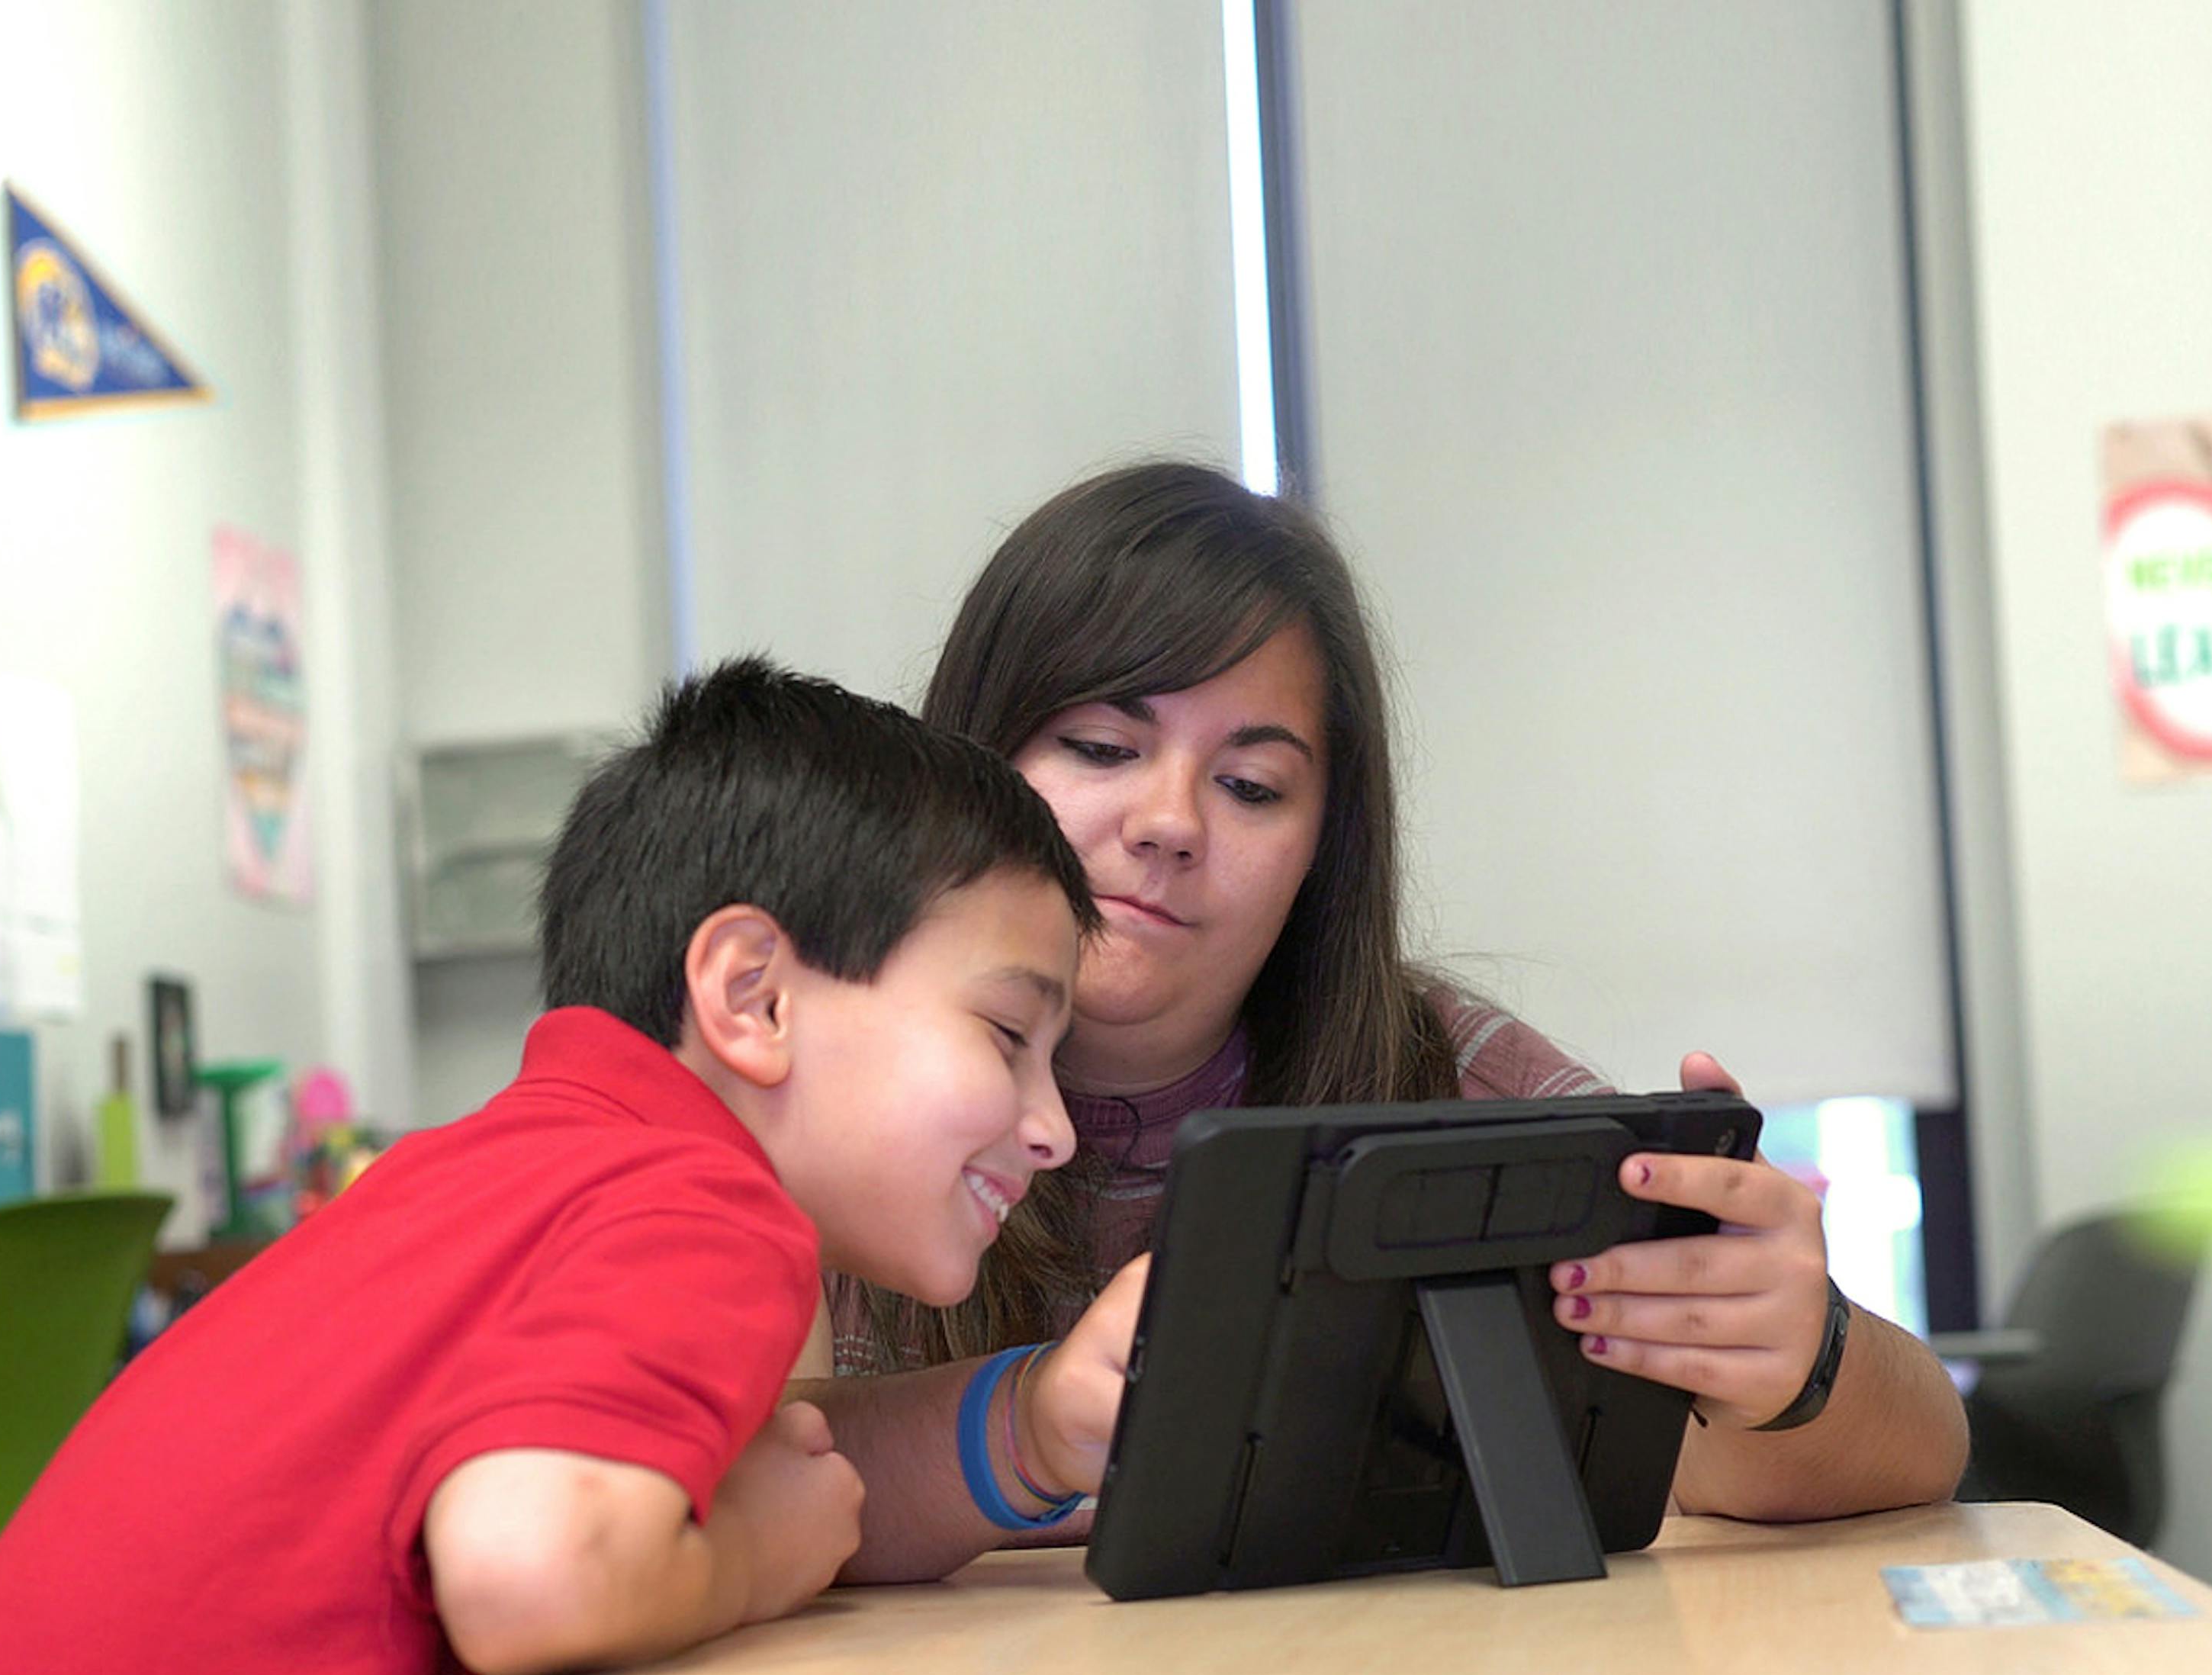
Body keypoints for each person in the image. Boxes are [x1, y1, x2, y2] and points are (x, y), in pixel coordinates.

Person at [0, 661, 1095, 1675]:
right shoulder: (701, 1200)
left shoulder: (485, 1171)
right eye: (1007, 1035)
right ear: (753, 996)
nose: (1055, 1127)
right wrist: (751, 1561)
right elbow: (532, 1572)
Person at [806, 462, 1970, 1582]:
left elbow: (1900, 1454)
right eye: (1103, 749)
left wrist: (1796, 1360)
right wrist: (1020, 1427)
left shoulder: (1441, 1076)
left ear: (1323, 847)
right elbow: (720, 1482)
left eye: (1252, 786)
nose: (1169, 823)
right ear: (971, 756)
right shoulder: (817, 1072)